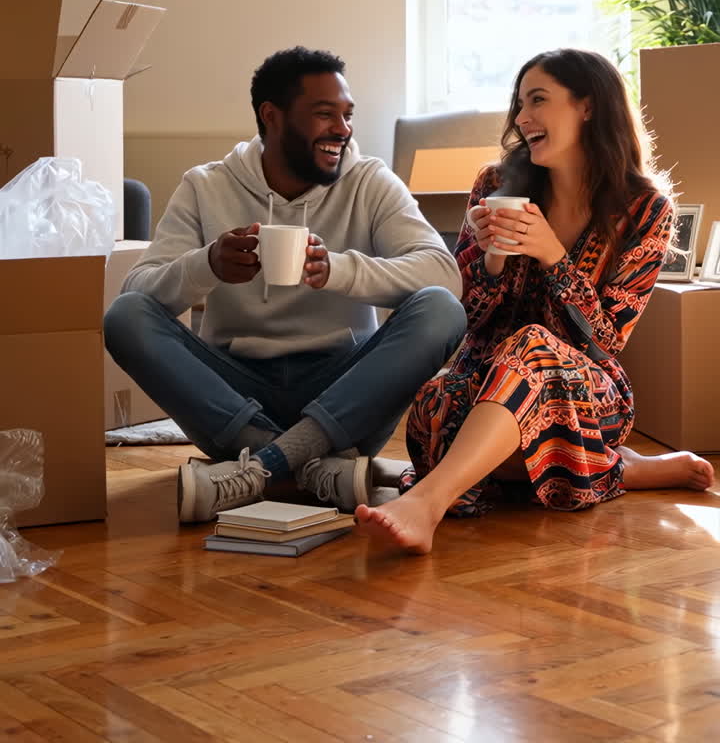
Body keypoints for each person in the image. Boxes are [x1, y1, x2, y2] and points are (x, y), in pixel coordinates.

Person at [355, 49, 715, 553]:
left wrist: (553, 255)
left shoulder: (646, 209)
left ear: (587, 106)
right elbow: (466, 320)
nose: (522, 118)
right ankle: (616, 467)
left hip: (587, 389)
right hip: (486, 378)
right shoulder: (494, 185)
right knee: (436, 412)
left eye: (538, 100)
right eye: (519, 103)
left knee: (531, 347)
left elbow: (607, 340)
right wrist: (491, 260)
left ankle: (426, 506)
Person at [104, 46, 466, 524]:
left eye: (347, 115)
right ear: (271, 116)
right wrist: (206, 265)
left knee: (440, 307)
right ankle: (313, 470)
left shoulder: (369, 181)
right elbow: (138, 293)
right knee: (124, 317)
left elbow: (443, 274)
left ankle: (263, 469)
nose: (342, 129)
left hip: (346, 393)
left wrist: (338, 270)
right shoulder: (206, 185)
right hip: (232, 402)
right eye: (324, 114)